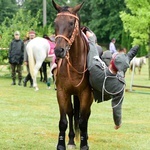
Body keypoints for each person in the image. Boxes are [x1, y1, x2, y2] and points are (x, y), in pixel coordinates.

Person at [86, 30, 139, 130]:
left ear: (111, 62)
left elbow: (92, 50)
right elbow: (116, 108)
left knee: (102, 51)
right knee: (128, 57)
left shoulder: (95, 68)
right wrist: (117, 123)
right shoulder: (119, 87)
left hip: (97, 82)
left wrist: (92, 38)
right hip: (109, 89)